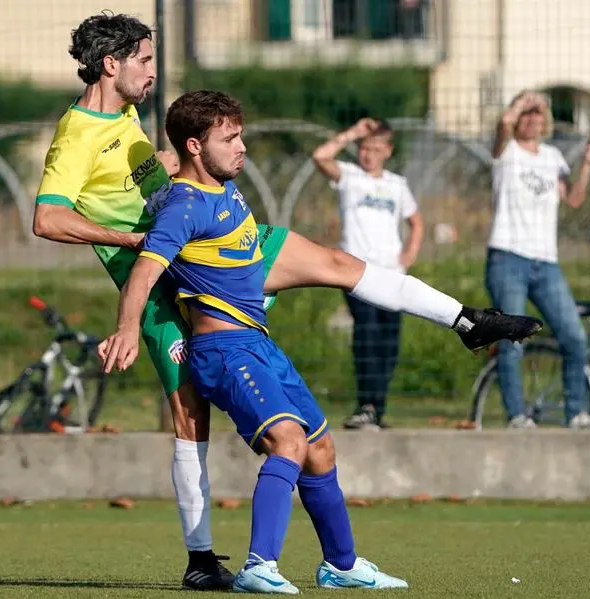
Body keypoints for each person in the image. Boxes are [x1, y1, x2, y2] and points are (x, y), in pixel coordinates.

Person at [32, 12, 543, 591]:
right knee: (189, 416)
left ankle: (465, 318)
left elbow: (154, 183)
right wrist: (131, 240)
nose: (152, 71)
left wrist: (194, 170)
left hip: (209, 241)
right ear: (112, 64)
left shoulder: (127, 114)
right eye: (145, 61)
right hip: (157, 280)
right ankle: (203, 562)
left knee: (335, 263)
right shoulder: (77, 134)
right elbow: (48, 218)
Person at [98, 89, 409, 594]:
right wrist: (129, 329)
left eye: (241, 134)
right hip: (223, 353)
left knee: (321, 448)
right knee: (288, 440)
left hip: (259, 344)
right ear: (195, 147)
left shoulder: (226, 190)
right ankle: (258, 566)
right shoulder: (184, 206)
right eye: (231, 137)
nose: (243, 146)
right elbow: (142, 275)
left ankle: (342, 565)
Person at [486, 90, 590, 429]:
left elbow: (574, 199)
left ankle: (576, 412)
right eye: (527, 112)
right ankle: (516, 415)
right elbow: (504, 125)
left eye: (538, 113)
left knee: (573, 336)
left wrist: (587, 162)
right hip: (508, 257)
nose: (532, 118)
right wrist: (522, 101)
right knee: (512, 338)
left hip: (545, 262)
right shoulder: (505, 151)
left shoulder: (552, 156)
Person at [312, 118, 420, 430]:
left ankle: (377, 408)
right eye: (363, 148)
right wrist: (352, 132)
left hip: (392, 274)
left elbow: (416, 221)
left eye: (374, 148)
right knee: (367, 335)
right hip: (357, 273)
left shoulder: (397, 185)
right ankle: (365, 404)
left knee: (389, 342)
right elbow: (321, 157)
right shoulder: (350, 176)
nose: (367, 154)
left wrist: (409, 254)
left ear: (388, 150)